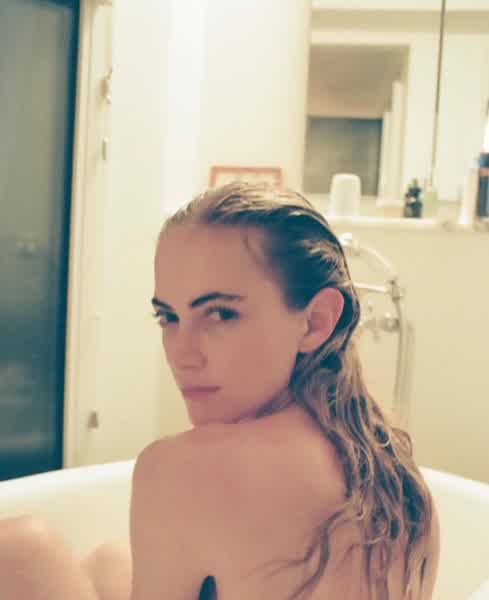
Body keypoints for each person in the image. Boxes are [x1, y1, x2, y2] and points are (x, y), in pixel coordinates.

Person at [0, 182, 440, 600]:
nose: (182, 354)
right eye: (169, 317)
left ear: (316, 321)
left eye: (220, 314)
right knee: (112, 561)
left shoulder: (181, 469)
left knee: (21, 548)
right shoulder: (396, 474)